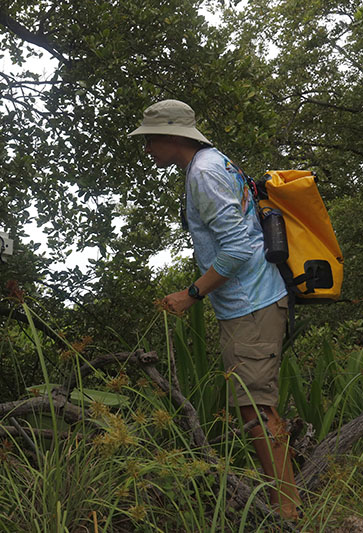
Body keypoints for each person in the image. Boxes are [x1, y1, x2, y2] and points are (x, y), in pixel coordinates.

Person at [128, 99, 302, 520]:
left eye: (151, 138)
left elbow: (239, 248)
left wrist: (191, 293)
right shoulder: (214, 162)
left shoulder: (204, 173)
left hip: (251, 305)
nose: (148, 147)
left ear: (173, 135)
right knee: (254, 405)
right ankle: (288, 506)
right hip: (252, 301)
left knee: (255, 408)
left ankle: (290, 514)